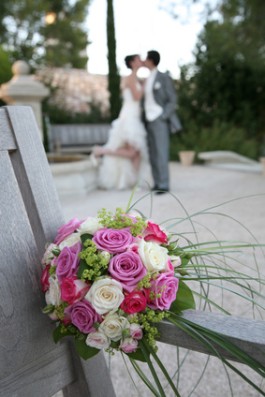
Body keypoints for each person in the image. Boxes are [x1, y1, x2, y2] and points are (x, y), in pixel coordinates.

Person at [92, 54, 150, 190]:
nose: (140, 61)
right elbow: (136, 97)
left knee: (136, 153)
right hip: (129, 118)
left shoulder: (135, 78)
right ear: (132, 63)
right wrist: (145, 84)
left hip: (133, 116)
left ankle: (134, 183)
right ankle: (101, 150)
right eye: (137, 59)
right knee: (133, 152)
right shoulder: (130, 78)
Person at [143, 50, 182, 194]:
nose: (144, 61)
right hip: (148, 120)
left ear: (151, 60)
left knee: (161, 152)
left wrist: (163, 116)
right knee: (153, 153)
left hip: (159, 119)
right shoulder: (147, 78)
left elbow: (172, 100)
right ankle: (157, 182)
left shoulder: (163, 77)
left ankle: (164, 184)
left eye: (146, 58)